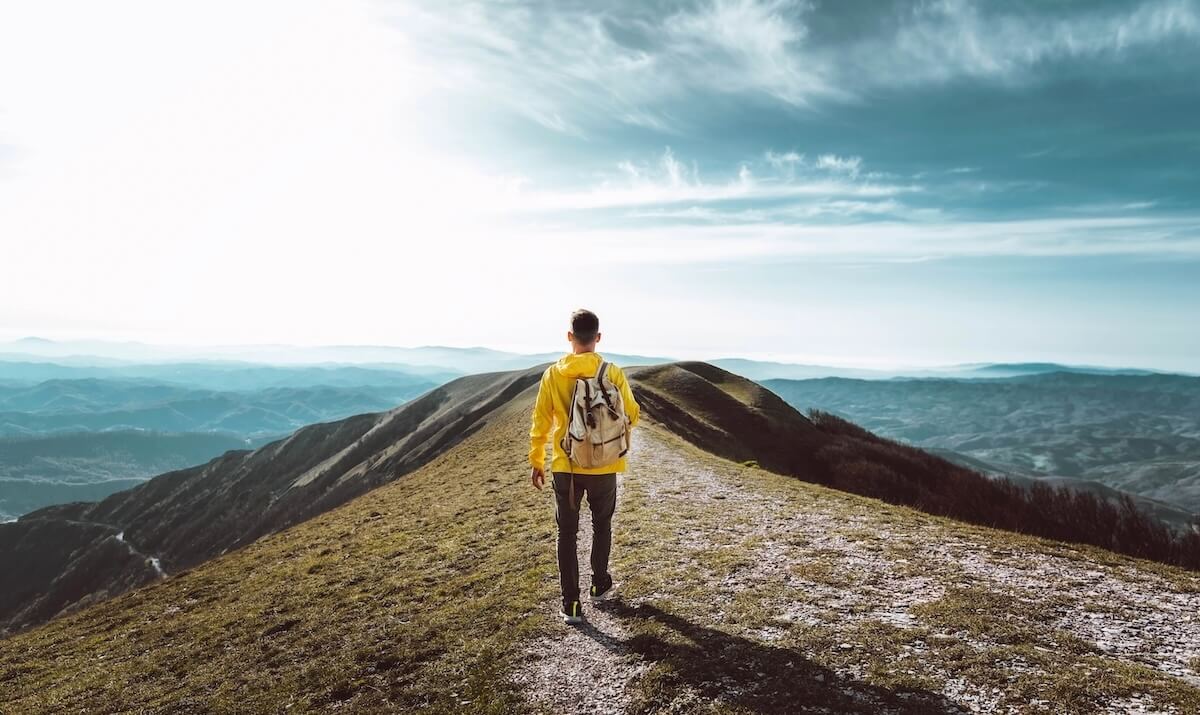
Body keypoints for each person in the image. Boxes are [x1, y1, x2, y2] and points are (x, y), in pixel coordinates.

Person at [528, 308, 641, 624]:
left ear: (569, 337)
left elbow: (541, 421)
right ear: (598, 338)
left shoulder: (553, 374)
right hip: (605, 466)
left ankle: (571, 605)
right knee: (602, 525)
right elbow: (632, 414)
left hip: (566, 466)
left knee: (567, 532)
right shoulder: (612, 372)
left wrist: (537, 460)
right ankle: (599, 584)